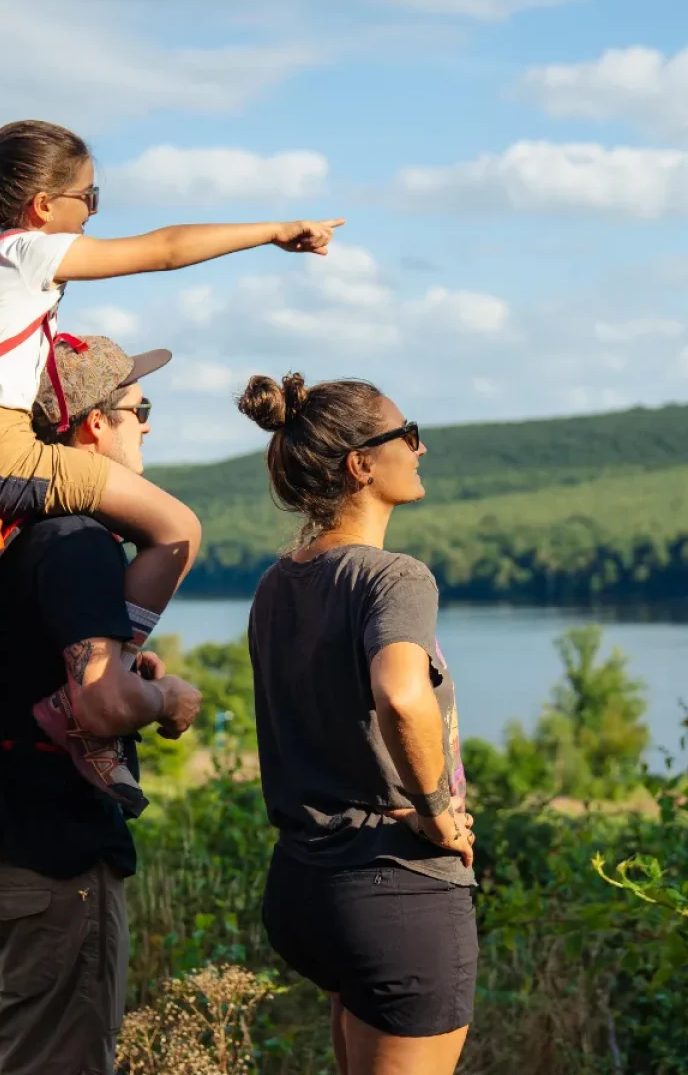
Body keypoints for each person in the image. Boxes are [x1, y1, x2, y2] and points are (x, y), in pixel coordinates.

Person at [0, 117, 342, 809]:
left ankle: (86, 675)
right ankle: (87, 697)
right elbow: (165, 250)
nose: (93, 213)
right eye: (89, 198)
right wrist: (275, 229)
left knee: (70, 558)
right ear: (45, 206)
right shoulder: (28, 253)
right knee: (178, 529)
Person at [0, 334, 203, 1075]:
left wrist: (122, 675)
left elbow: (62, 677)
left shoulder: (23, 537)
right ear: (93, 425)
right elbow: (98, 705)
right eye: (139, 410)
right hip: (58, 864)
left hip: (13, 853)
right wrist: (164, 698)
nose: (148, 426)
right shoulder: (77, 540)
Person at [237, 373, 478, 1075]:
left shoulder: (279, 581)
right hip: (394, 886)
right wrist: (437, 811)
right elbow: (401, 696)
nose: (422, 447)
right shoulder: (394, 578)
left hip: (307, 884)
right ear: (361, 464)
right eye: (408, 434)